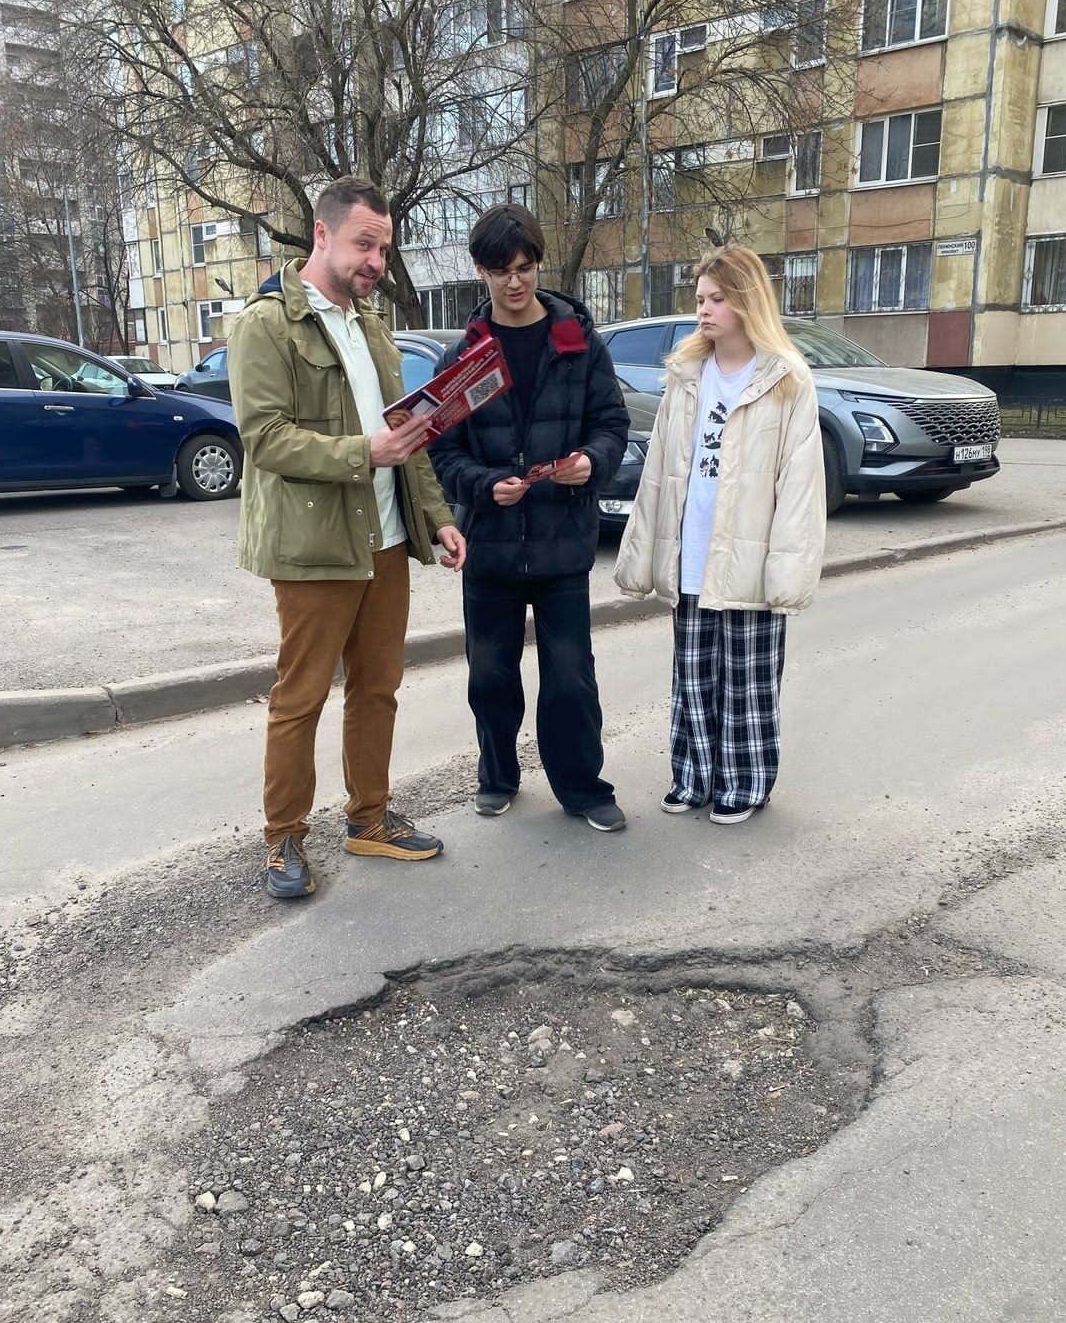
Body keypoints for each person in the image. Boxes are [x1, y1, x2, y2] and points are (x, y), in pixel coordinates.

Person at [229, 175, 465, 899]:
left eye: (384, 249)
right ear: (322, 233)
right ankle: (283, 838)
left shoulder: (372, 327)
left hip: (385, 541)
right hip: (315, 546)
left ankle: (370, 818)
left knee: (378, 689)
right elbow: (265, 438)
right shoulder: (266, 324)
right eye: (365, 245)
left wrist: (439, 516)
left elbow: (405, 435)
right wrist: (365, 452)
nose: (375, 262)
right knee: (300, 696)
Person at [428, 202, 629, 832]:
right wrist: (485, 486)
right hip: (490, 545)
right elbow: (442, 451)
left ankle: (583, 788)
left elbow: (612, 424)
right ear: (481, 272)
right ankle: (497, 776)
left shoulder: (577, 341)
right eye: (500, 271)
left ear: (539, 263)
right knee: (490, 675)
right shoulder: (463, 356)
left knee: (570, 676)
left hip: (563, 542)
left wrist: (591, 463)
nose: (514, 282)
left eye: (525, 267)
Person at [613, 244, 825, 822]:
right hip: (691, 554)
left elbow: (800, 485)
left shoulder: (785, 379)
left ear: (747, 301)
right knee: (692, 676)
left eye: (716, 299)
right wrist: (643, 551)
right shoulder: (686, 376)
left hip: (750, 557)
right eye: (700, 298)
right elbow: (660, 472)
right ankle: (692, 776)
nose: (703, 310)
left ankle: (745, 783)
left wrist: (788, 570)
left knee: (747, 682)